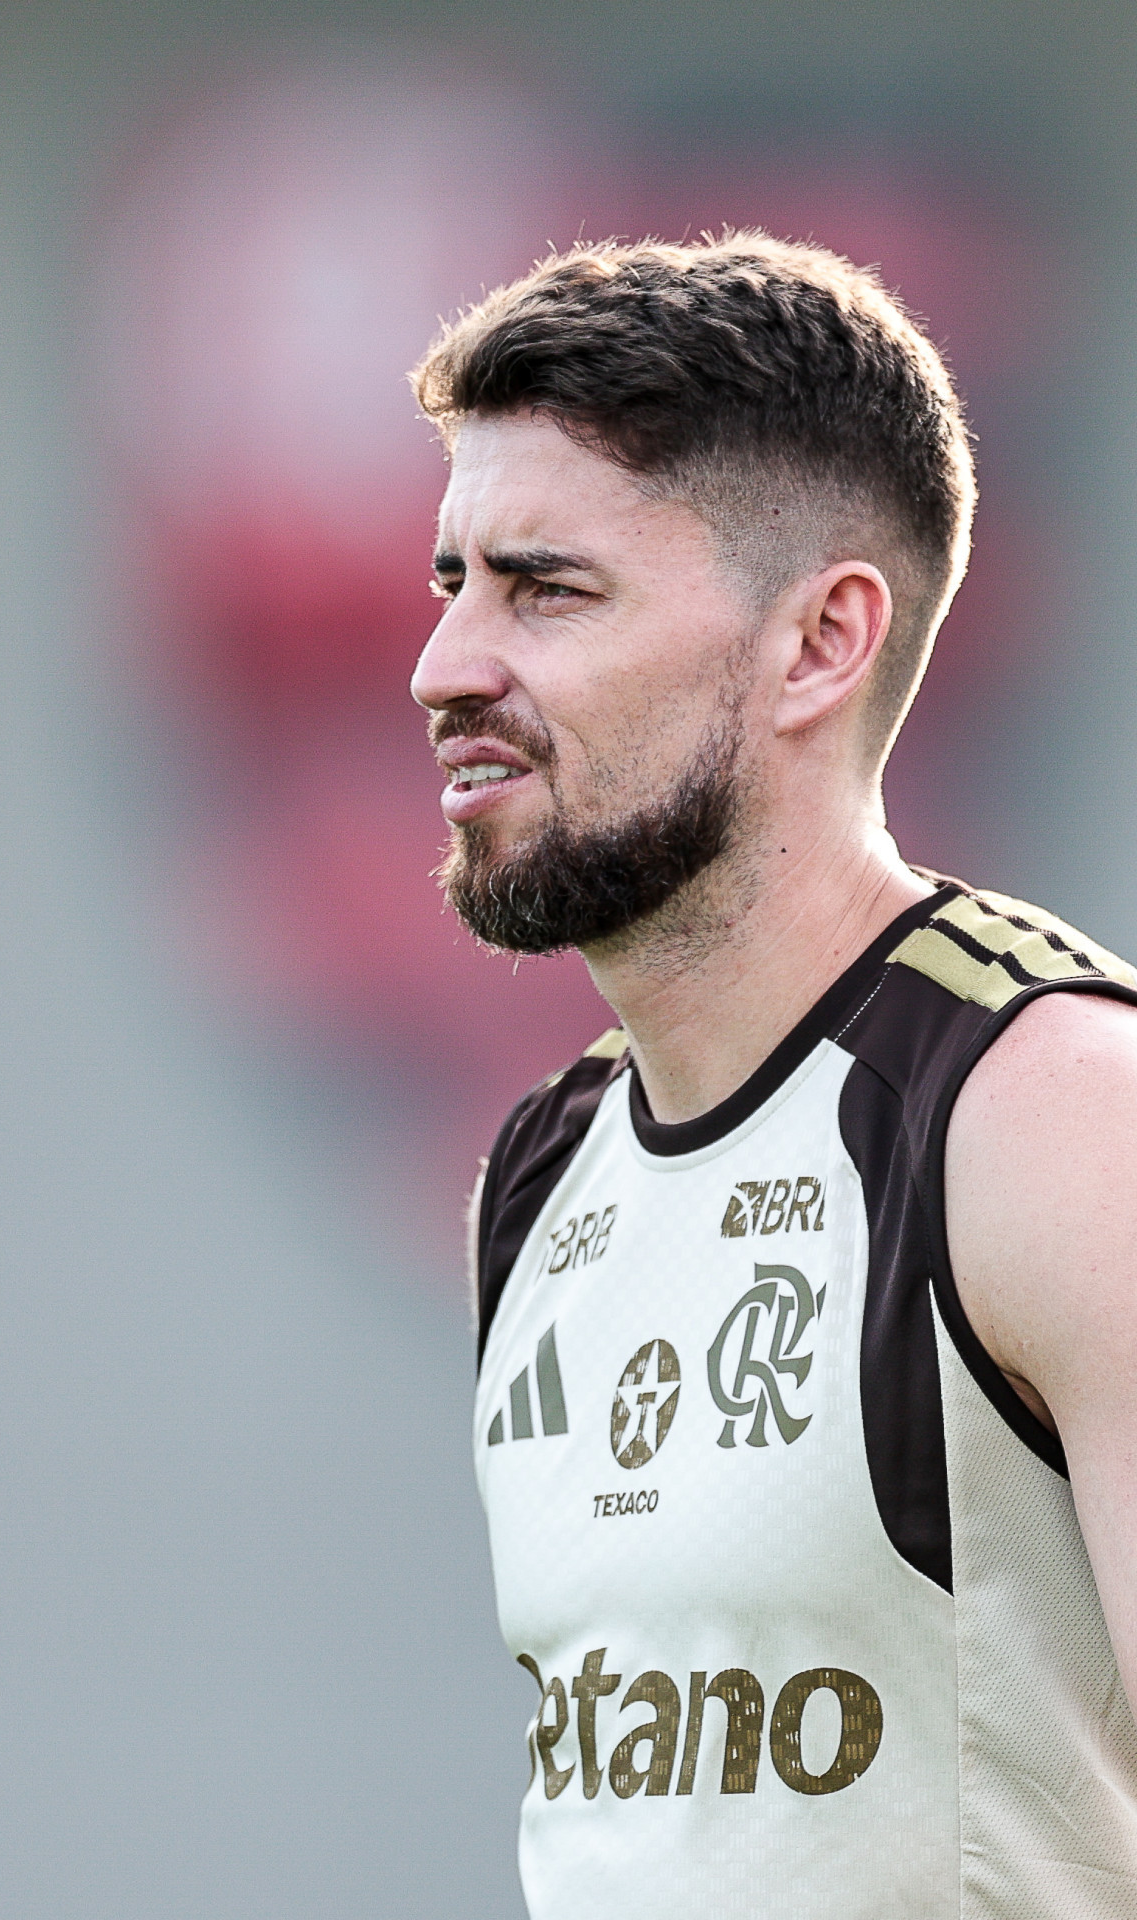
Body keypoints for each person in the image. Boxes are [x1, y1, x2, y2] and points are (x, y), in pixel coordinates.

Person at [407, 234, 1137, 1919]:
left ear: (820, 643)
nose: (443, 667)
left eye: (546, 589)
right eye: (450, 585)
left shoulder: (1055, 1118)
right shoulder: (544, 1177)